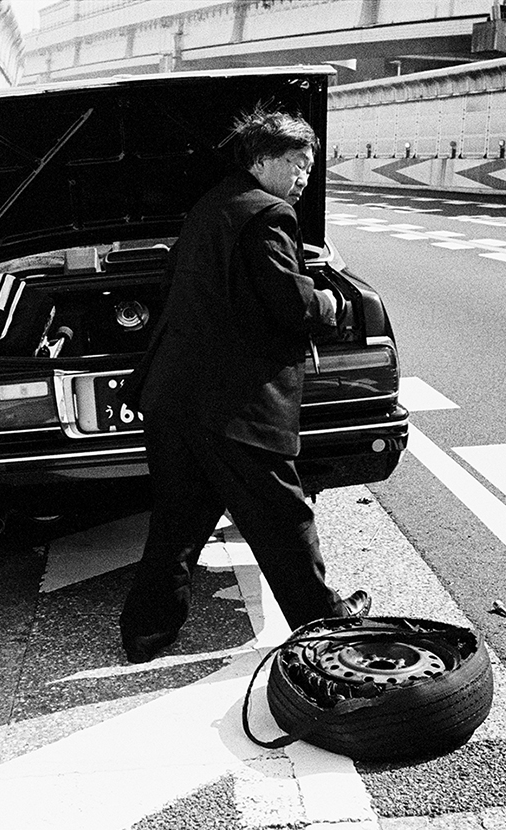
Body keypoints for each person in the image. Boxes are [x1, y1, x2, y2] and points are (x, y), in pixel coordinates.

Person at [117, 108, 371, 664]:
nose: (305, 175)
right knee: (284, 518)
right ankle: (326, 625)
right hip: (232, 403)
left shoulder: (213, 204)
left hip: (175, 395)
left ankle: (145, 632)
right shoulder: (269, 215)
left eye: (310, 165)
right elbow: (291, 302)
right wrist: (332, 303)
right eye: (294, 163)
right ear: (261, 161)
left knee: (179, 519)